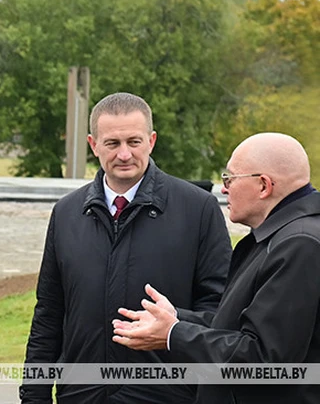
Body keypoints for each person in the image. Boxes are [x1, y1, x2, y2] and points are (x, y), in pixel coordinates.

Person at [21, 92, 232, 404]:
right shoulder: (66, 213)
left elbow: (221, 311)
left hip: (168, 395)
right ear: (93, 145)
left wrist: (174, 326)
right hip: (81, 394)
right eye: (112, 144)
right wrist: (34, 396)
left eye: (134, 142)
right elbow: (49, 315)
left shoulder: (198, 209)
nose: (124, 154)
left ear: (152, 141)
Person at [113, 132, 320, 403]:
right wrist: (177, 318)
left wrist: (174, 335)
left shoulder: (299, 245)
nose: (224, 188)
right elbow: (241, 326)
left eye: (230, 178)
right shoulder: (281, 237)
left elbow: (264, 360)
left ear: (263, 186)